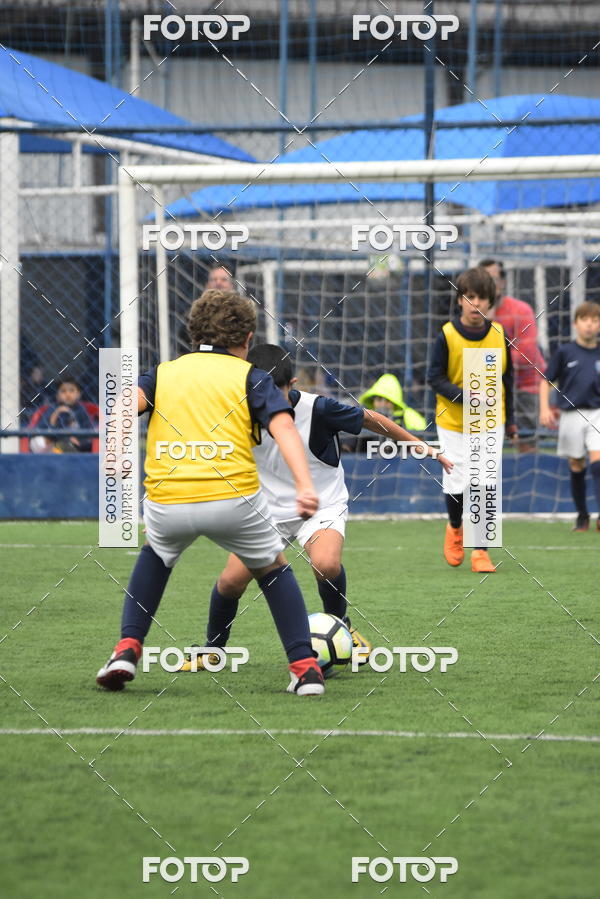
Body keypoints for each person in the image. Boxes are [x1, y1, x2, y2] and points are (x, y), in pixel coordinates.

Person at [97, 290, 325, 697]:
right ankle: (305, 668)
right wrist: (305, 486)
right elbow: (284, 429)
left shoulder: (164, 372)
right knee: (273, 568)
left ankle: (126, 649)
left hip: (168, 501)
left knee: (156, 554)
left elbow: (120, 409)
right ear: (249, 340)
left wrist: (114, 454)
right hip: (232, 502)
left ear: (192, 333)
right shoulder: (251, 376)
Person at [178, 343, 453, 672]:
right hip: (266, 510)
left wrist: (423, 448)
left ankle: (341, 629)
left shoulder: (319, 409)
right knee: (230, 582)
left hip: (322, 503)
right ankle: (213, 651)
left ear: (292, 385)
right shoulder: (236, 413)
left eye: (274, 391)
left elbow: (372, 420)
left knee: (325, 563)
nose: (265, 400)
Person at [428, 267, 517, 573]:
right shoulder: (447, 335)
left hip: (491, 420)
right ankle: (455, 528)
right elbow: (434, 378)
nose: (475, 303)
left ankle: (480, 550)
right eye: (470, 297)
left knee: (485, 482)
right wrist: (464, 396)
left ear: (491, 302)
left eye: (482, 298)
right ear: (460, 300)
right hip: (452, 421)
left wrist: (513, 419)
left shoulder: (499, 335)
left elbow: (508, 380)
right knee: (457, 479)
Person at [539, 301, 600, 531]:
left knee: (598, 463)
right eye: (585, 320)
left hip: (597, 413)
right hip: (571, 414)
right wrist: (545, 409)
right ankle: (582, 515)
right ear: (576, 324)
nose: (589, 325)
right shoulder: (565, 352)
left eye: (594, 321)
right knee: (576, 464)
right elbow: (545, 381)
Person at [480, 258, 546, 452]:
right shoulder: (475, 314)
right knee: (483, 444)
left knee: (525, 443)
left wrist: (491, 361)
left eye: (492, 279)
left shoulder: (521, 310)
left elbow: (527, 355)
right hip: (490, 385)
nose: (489, 285)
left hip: (525, 385)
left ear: (502, 282)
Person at [34, 378, 94, 453]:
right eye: (63, 391)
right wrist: (54, 417)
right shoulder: (52, 409)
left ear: (78, 394)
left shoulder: (81, 410)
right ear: (57, 396)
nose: (67, 394)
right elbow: (41, 431)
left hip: (78, 444)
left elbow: (88, 431)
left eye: (71, 390)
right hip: (57, 443)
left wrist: (79, 441)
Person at [359, 373, 428, 431]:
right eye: (379, 399)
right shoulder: (366, 418)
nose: (383, 404)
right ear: (373, 401)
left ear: (395, 403)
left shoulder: (409, 417)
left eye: (387, 400)